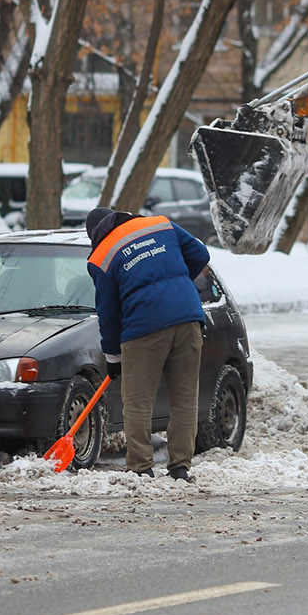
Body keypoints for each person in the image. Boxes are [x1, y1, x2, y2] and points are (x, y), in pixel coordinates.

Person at [85, 205, 211, 481]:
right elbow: (201, 254)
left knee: (138, 400)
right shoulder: (160, 225)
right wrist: (176, 284)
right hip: (188, 317)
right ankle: (180, 466)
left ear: (95, 235)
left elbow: (108, 312)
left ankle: (141, 467)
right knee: (185, 398)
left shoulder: (102, 256)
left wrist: (113, 357)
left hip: (143, 328)